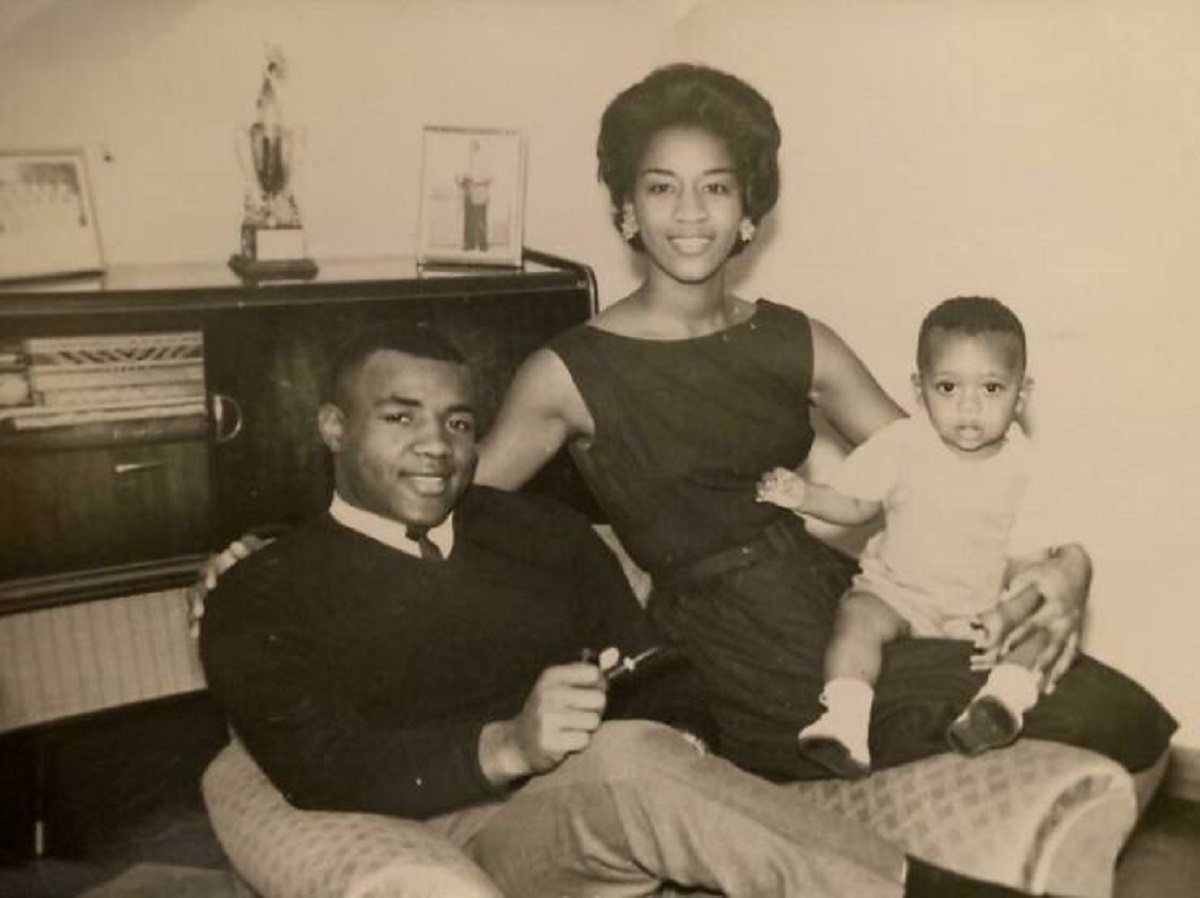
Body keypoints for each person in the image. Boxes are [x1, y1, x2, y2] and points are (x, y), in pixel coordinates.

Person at [473, 62, 1176, 782]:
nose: (690, 213)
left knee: (1102, 703)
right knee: (979, 724)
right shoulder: (566, 372)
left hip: (836, 601)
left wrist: (1069, 568)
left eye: (716, 187)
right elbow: (456, 517)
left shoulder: (796, 338)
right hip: (731, 649)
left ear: (749, 210)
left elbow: (944, 468)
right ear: (626, 208)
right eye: (661, 187)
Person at [198, 324, 1075, 898]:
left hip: (603, 805)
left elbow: (664, 674)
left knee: (638, 756)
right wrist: (506, 745)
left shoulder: (540, 534)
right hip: (448, 833)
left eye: (461, 424)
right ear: (332, 429)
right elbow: (316, 765)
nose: (438, 446)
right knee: (627, 765)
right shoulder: (264, 588)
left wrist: (675, 753)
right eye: (400, 417)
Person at [756, 296, 1065, 777]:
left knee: (1040, 630)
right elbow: (855, 506)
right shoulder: (902, 444)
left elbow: (1030, 566)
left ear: (1020, 395)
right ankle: (844, 720)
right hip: (898, 596)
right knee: (855, 617)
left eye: (990, 388)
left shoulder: (1027, 470)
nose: (968, 407)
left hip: (980, 610)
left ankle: (1001, 702)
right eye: (948, 387)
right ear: (920, 390)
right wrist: (803, 495)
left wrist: (1006, 614)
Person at [456, 138, 491, 251]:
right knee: (468, 219)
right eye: (471, 146)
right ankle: (469, 244)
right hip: (468, 192)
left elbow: (489, 177)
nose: (472, 148)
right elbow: (459, 176)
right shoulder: (466, 159)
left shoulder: (485, 160)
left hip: (480, 193)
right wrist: (461, 179)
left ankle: (482, 244)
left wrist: (475, 179)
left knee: (481, 219)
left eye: (474, 145)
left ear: (478, 147)